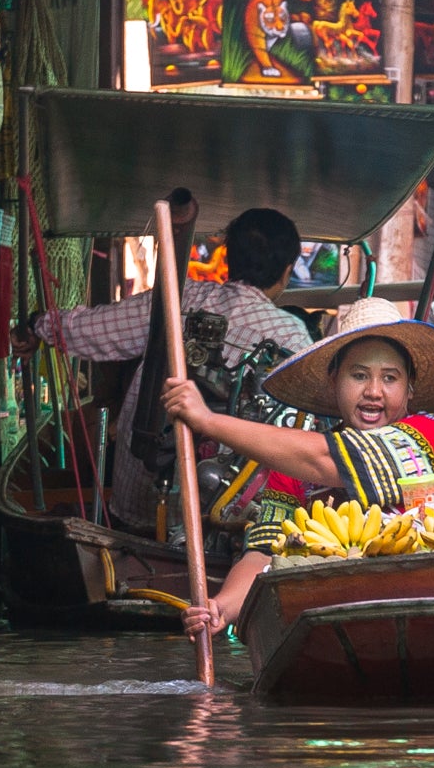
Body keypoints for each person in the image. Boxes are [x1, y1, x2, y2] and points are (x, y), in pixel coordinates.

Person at [161, 295, 434, 640]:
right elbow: (264, 553)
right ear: (334, 381)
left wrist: (208, 421)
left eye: (390, 378)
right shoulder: (294, 465)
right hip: (336, 621)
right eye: (359, 375)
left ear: (409, 389)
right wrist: (222, 607)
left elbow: (328, 459)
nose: (374, 391)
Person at [23, 191, 311, 534]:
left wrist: (36, 326)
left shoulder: (179, 297)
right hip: (229, 520)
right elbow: (300, 431)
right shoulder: (291, 336)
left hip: (140, 507)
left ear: (229, 256)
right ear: (287, 271)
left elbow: (94, 328)